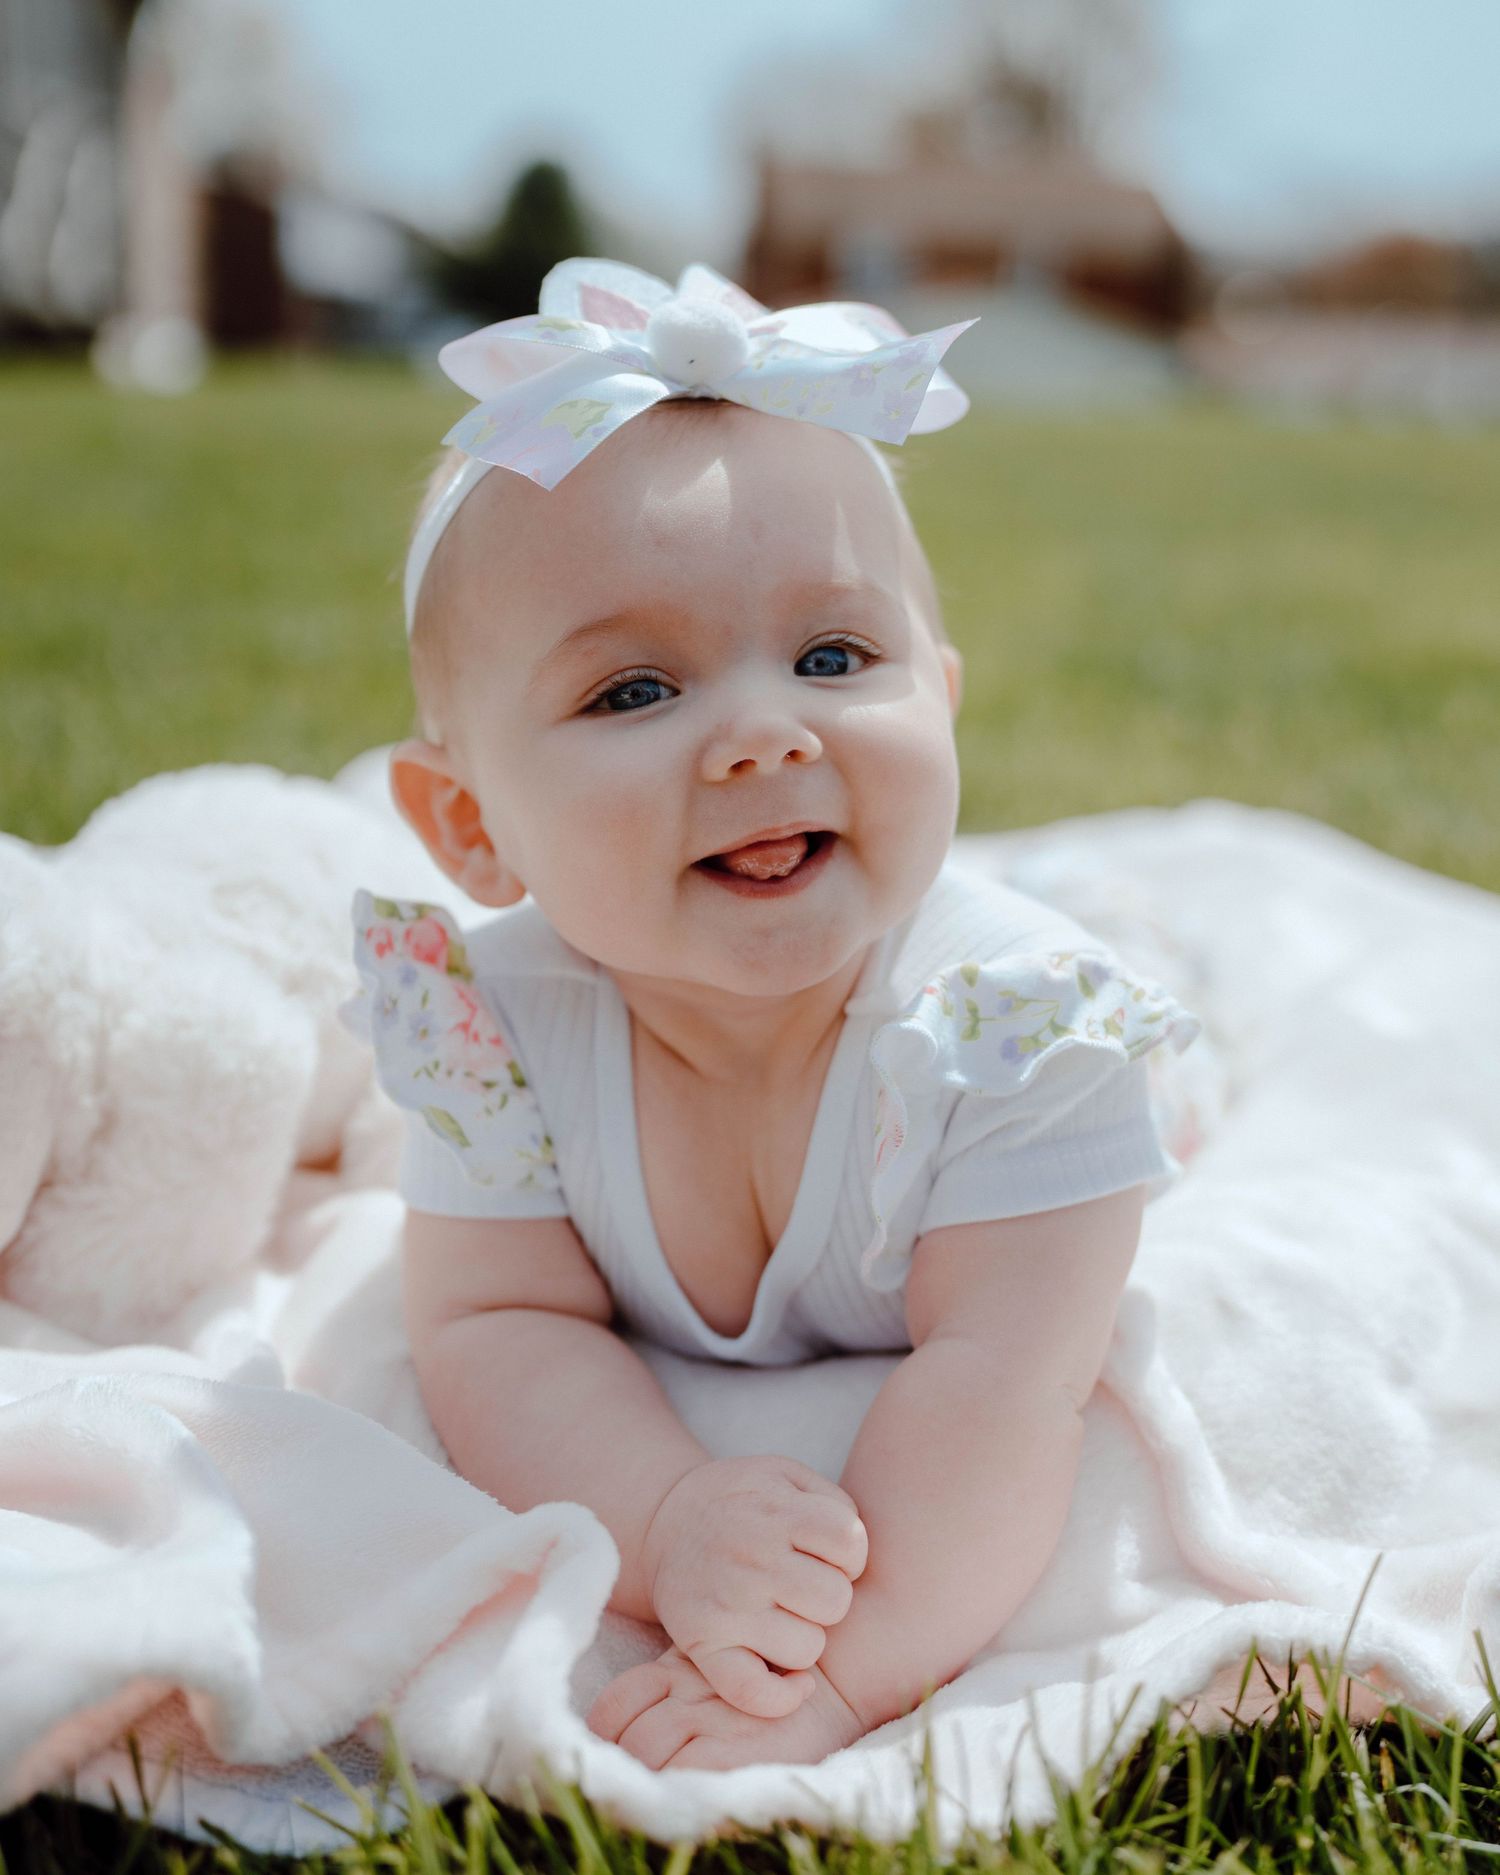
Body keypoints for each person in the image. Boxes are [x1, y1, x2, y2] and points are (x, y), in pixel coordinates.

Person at [343, 258, 1206, 1772]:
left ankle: (1131, 917)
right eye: (633, 691)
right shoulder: (490, 1039)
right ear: (470, 826)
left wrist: (831, 1681)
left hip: (1030, 1077)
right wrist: (673, 1518)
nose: (759, 734)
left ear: (937, 697)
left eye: (832, 658)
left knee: (1162, 1029)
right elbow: (495, 1321)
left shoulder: (1021, 1039)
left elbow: (1003, 1387)